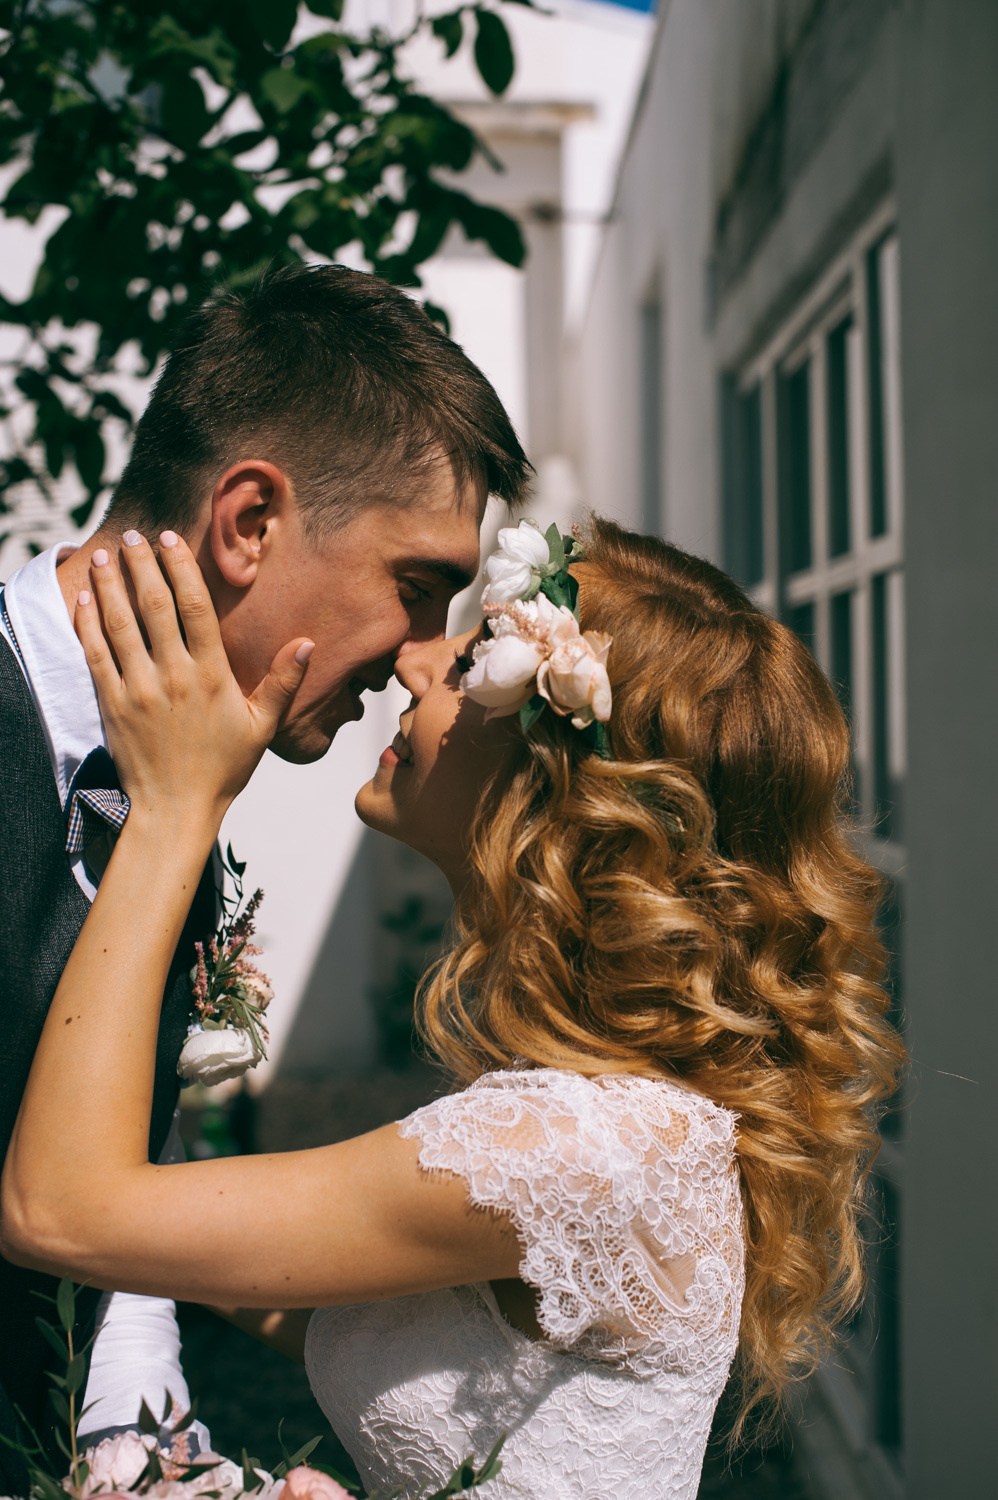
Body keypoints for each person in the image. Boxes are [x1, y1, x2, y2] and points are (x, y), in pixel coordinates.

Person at [0, 518, 905, 1498]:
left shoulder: (585, 1148)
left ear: (557, 778)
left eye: (475, 654)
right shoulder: (601, 1114)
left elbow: (56, 1212)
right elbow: (377, 1321)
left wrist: (173, 807)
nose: (413, 661)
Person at [0, 263, 529, 1491]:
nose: (417, 659)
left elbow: (118, 1166)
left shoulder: (179, 777)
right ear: (247, 523)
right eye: (417, 586)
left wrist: (137, 1443)